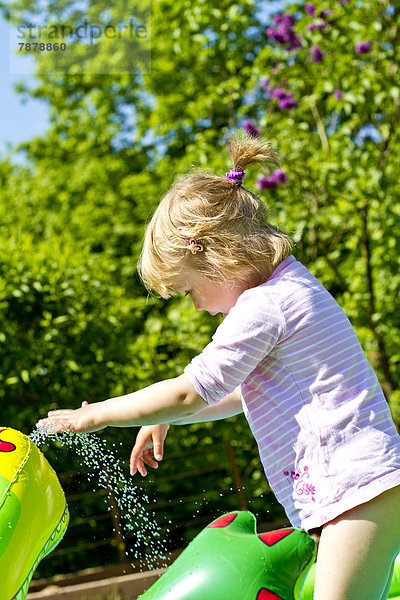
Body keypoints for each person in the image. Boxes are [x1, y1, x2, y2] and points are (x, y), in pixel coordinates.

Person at [37, 132, 400, 600]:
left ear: (204, 250)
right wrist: (164, 414)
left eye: (189, 291)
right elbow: (235, 394)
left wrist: (96, 414)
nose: (196, 307)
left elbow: (193, 389)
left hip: (360, 487)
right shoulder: (288, 289)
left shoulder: (265, 305)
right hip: (358, 487)